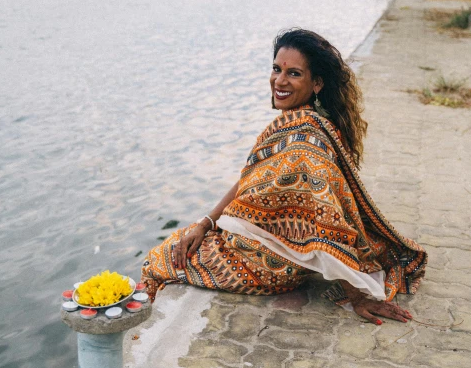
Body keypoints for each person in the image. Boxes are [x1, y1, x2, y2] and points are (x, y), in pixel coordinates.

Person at [141, 29, 426, 325]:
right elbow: (250, 179)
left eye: (294, 73)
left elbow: (327, 219)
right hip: (260, 245)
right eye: (277, 69)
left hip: (261, 264)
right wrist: (206, 223)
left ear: (316, 83)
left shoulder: (304, 141)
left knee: (158, 261)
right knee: (184, 241)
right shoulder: (303, 124)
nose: (279, 81)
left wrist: (356, 296)